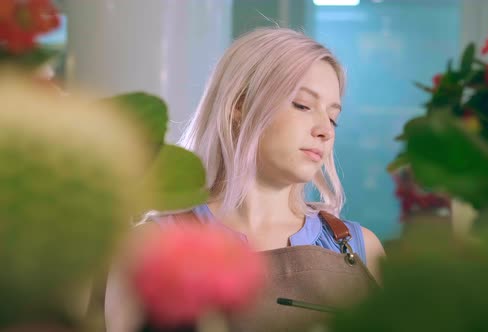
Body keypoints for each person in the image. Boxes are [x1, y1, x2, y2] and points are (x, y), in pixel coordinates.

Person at [105, 27, 385, 332]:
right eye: (303, 105)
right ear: (239, 105)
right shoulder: (150, 245)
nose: (325, 130)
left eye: (333, 117)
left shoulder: (361, 248)